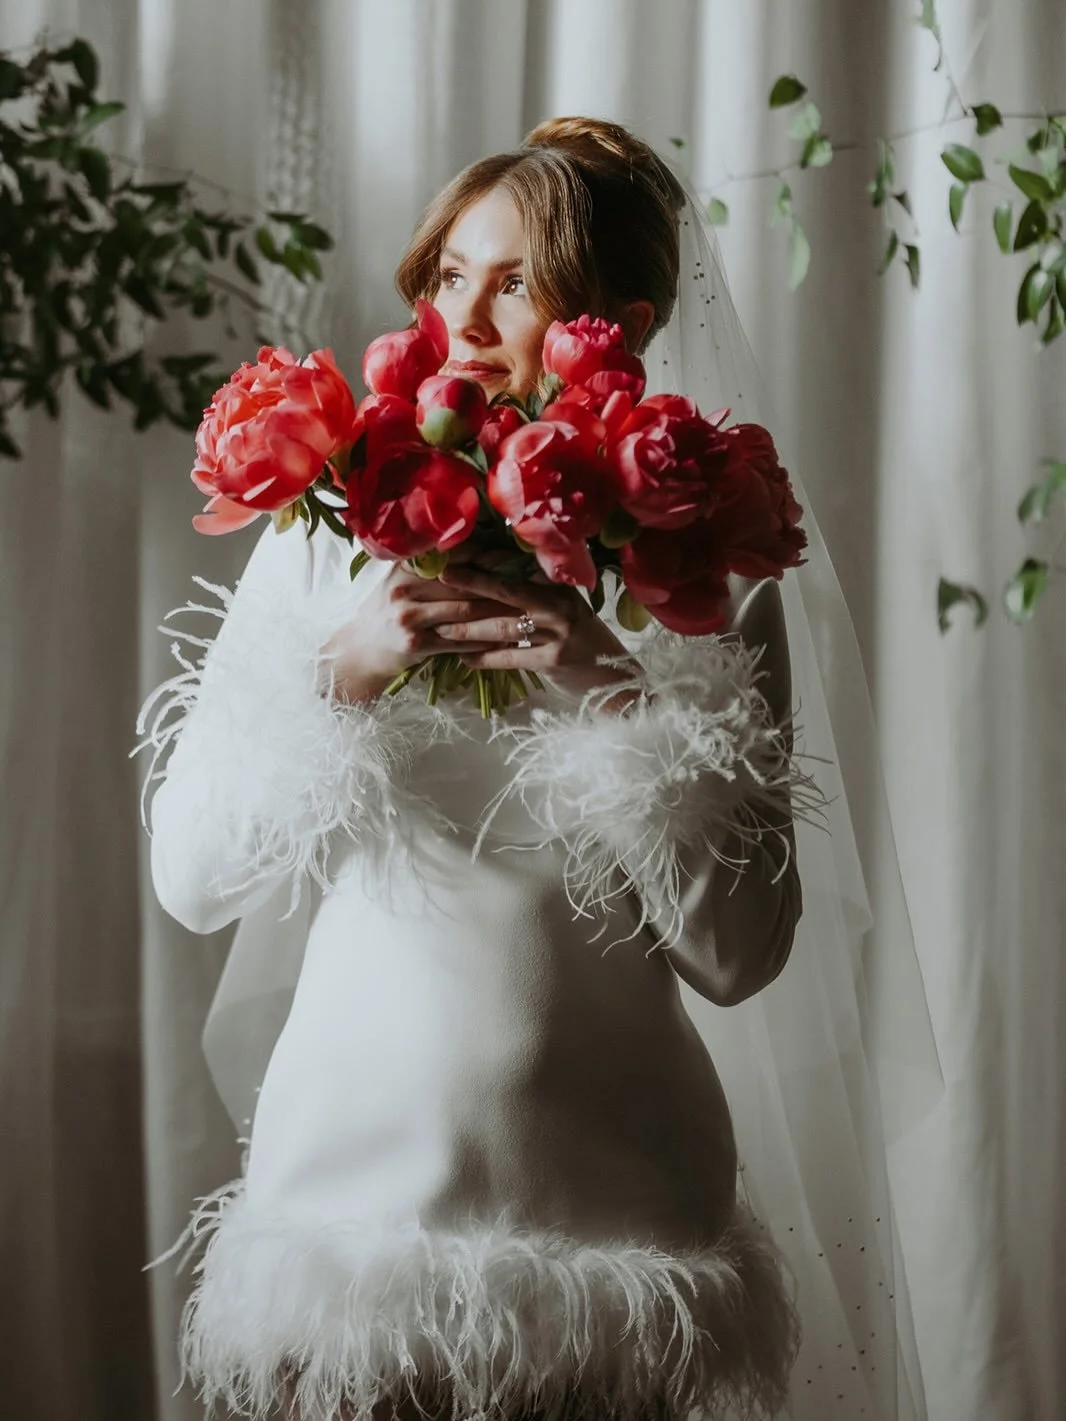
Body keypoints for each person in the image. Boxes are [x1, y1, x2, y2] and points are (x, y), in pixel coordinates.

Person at [140, 117, 931, 1421]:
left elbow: (738, 959)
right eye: (450, 274)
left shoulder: (711, 570)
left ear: (620, 325)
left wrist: (611, 689)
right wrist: (341, 669)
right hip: (348, 1210)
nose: (463, 315)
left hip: (618, 1222)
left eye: (515, 282)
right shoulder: (325, 532)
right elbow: (190, 881)